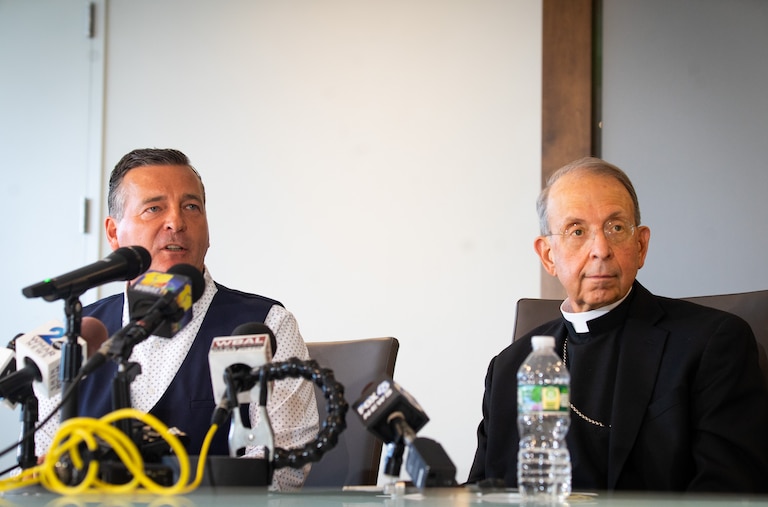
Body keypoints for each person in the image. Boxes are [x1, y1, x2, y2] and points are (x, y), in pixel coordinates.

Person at [467, 157, 768, 492]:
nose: (600, 249)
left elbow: (728, 493)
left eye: (616, 228)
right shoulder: (510, 367)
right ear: (548, 255)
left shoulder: (712, 344)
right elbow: (484, 492)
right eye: (577, 231)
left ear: (640, 246)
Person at [36, 148, 319, 490]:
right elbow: (44, 457)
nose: (177, 222)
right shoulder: (80, 331)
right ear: (113, 233)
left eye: (191, 207)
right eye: (154, 208)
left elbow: (282, 470)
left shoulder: (267, 324)